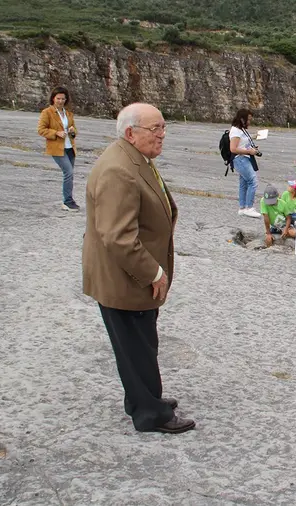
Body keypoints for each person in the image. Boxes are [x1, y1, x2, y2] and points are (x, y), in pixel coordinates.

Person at [82, 103, 194, 434]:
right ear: (131, 133)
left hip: (128, 275)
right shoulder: (119, 170)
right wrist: (154, 272)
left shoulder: (133, 158)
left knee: (139, 343)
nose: (162, 135)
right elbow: (118, 237)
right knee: (136, 346)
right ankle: (150, 414)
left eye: (163, 127)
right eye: (155, 129)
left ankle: (142, 398)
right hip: (125, 278)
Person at [38, 86, 79, 210]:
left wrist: (72, 131)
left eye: (63, 99)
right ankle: (67, 201)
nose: (60, 101)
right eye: (58, 98)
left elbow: (74, 131)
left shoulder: (68, 114)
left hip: (69, 148)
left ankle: (69, 199)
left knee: (70, 175)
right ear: (53, 99)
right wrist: (56, 133)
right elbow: (41, 129)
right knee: (68, 172)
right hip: (57, 148)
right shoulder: (47, 112)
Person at [229, 108, 262, 218]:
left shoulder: (240, 130)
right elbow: (233, 149)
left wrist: (252, 146)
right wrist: (249, 151)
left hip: (244, 158)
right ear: (242, 119)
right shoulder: (236, 131)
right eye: (248, 119)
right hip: (240, 159)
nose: (249, 122)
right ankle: (249, 207)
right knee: (253, 181)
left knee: (243, 183)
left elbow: (241, 144)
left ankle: (242, 208)